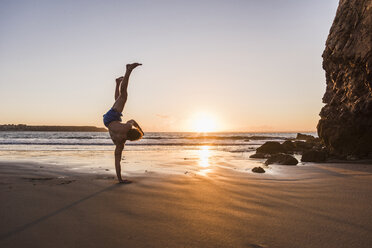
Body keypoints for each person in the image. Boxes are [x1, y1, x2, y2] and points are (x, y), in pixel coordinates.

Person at [103, 63, 144, 183]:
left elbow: (133, 121)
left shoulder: (127, 126)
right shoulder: (120, 143)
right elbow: (117, 161)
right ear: (130, 139)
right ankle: (118, 82)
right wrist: (120, 179)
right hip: (108, 121)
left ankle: (129, 70)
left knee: (124, 96)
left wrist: (140, 130)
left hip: (111, 118)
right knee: (119, 99)